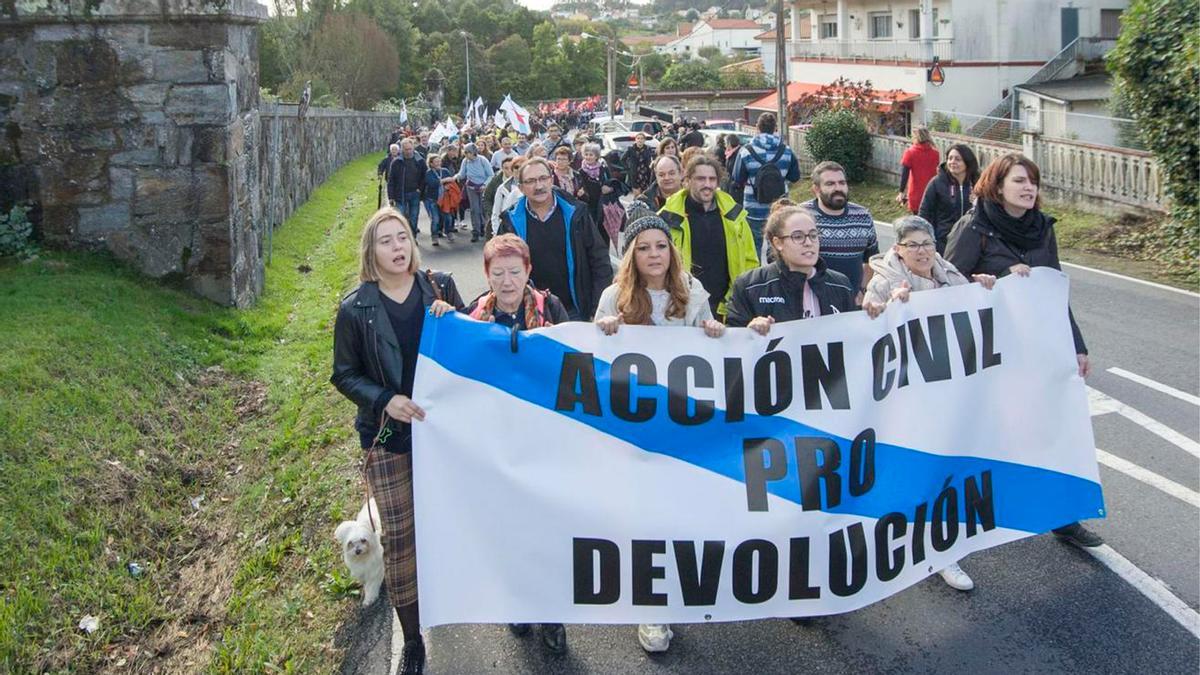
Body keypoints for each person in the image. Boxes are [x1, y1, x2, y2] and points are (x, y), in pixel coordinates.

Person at [330, 207, 464, 675]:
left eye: (402, 237)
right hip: (388, 438)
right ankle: (412, 639)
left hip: (441, 433)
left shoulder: (439, 287)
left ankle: (452, 601)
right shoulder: (356, 309)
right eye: (385, 241)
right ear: (371, 251)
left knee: (446, 523)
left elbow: (468, 345)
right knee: (401, 537)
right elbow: (343, 374)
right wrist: (385, 399)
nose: (397, 247)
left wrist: (455, 316)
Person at [943, 153, 1100, 548]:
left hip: (1037, 349)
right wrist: (998, 279)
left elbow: (1053, 290)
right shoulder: (973, 228)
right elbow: (946, 289)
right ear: (997, 187)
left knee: (1052, 429)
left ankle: (1063, 517)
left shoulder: (1042, 229)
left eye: (1033, 181)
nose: (1029, 188)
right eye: (1019, 180)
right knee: (985, 435)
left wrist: (1076, 345)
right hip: (988, 355)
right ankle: (956, 518)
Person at [594, 203, 725, 655]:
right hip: (634, 429)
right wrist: (603, 331)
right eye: (644, 248)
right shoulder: (614, 297)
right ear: (631, 255)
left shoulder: (692, 291)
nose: (654, 255)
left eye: (661, 246)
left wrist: (712, 331)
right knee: (643, 516)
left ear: (672, 251)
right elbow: (593, 359)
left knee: (677, 513)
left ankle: (675, 590)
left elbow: (709, 351)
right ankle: (651, 608)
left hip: (680, 427)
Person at [860, 215, 998, 592]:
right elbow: (869, 329)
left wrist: (986, 288)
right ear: (898, 248)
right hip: (907, 395)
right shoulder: (884, 282)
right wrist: (891, 308)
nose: (922, 251)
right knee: (915, 469)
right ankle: (925, 546)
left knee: (946, 468)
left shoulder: (949, 273)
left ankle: (937, 544)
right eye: (913, 245)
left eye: (927, 243)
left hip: (948, 392)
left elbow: (974, 316)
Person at [497, 157, 613, 320]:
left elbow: (599, 260)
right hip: (531, 312)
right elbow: (499, 268)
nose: (539, 186)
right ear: (521, 188)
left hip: (575, 310)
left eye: (543, 178)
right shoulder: (510, 222)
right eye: (530, 181)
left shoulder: (576, 214)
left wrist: (598, 309)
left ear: (551, 180)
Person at [658, 155, 758, 318]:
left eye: (712, 179)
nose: (707, 184)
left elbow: (750, 261)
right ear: (687, 180)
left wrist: (744, 298)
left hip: (726, 306)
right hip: (682, 305)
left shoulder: (735, 216)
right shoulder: (667, 218)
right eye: (700, 179)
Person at [726, 206, 856, 329]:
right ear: (778, 243)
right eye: (798, 237)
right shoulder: (750, 285)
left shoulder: (841, 284)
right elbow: (733, 336)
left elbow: (853, 334)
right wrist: (750, 329)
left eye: (813, 235)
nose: (808, 243)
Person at [803, 161, 879, 304]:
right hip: (813, 300)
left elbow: (871, 259)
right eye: (830, 184)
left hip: (852, 301)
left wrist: (863, 290)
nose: (838, 188)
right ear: (816, 189)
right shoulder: (802, 215)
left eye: (842, 183)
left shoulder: (862, 216)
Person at [731, 113, 802, 255]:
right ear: (775, 128)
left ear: (757, 127)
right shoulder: (786, 151)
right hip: (780, 207)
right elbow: (795, 177)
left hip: (753, 207)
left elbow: (737, 178)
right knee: (779, 244)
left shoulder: (746, 151)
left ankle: (758, 268)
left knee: (754, 245)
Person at [465, 233, 570, 329]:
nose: (507, 282)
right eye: (498, 273)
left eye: (515, 272)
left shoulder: (550, 308)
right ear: (487, 274)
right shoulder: (474, 316)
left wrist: (556, 340)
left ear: (527, 272)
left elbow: (570, 342)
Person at [919, 143, 980, 254]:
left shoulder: (978, 184)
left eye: (958, 159)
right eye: (950, 158)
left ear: (967, 162)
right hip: (943, 243)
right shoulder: (937, 183)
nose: (952, 162)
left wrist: (978, 202)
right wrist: (927, 240)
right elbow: (924, 213)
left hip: (971, 242)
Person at [578, 142, 627, 249]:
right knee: (591, 238)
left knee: (604, 236)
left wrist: (610, 189)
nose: (588, 157)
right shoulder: (580, 172)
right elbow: (578, 190)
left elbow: (613, 183)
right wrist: (581, 194)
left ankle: (605, 256)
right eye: (586, 154)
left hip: (604, 208)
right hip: (589, 208)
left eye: (591, 154)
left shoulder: (603, 169)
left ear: (596, 156)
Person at [450, 143, 494, 243]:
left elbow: (491, 175)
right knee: (474, 210)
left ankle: (484, 228)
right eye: (465, 152)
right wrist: (455, 177)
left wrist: (485, 185)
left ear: (473, 152)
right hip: (471, 187)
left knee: (483, 209)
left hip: (483, 187)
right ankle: (476, 232)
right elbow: (462, 174)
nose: (466, 154)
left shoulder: (483, 160)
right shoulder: (465, 161)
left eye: (467, 152)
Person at [387, 139, 427, 236]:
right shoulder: (396, 162)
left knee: (414, 217)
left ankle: (412, 237)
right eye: (406, 149)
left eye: (410, 149)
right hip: (400, 194)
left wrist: (420, 189)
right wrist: (391, 197)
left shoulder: (420, 161)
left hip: (415, 193)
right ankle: (404, 236)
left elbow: (425, 176)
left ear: (413, 148)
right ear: (402, 149)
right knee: (401, 218)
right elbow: (391, 180)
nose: (408, 151)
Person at [897, 126, 941, 215]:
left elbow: (905, 174)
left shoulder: (910, 153)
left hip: (916, 194)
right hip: (932, 192)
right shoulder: (935, 153)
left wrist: (901, 192)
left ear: (916, 137)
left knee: (918, 220)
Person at [482, 156, 516, 241]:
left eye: (511, 168)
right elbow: (486, 198)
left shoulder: (520, 183)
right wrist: (491, 213)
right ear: (502, 169)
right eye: (506, 168)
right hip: (497, 217)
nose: (509, 170)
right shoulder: (496, 181)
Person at [423, 154, 454, 245]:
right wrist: (444, 181)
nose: (438, 163)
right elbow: (432, 183)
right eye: (436, 162)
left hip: (445, 199)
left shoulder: (445, 171)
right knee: (435, 219)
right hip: (433, 199)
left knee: (448, 217)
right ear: (431, 163)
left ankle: (448, 232)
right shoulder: (429, 173)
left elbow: (451, 181)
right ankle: (434, 236)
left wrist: (448, 185)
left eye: (439, 161)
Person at [622, 132, 656, 197]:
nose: (640, 140)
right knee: (637, 196)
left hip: (645, 174)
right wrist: (628, 168)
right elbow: (622, 159)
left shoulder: (648, 149)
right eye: (638, 138)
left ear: (644, 140)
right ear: (636, 140)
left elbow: (654, 157)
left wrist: (652, 165)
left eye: (642, 138)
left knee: (645, 196)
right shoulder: (631, 149)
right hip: (635, 174)